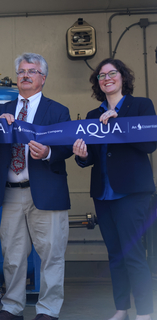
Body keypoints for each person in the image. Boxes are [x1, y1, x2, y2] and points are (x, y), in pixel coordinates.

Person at [0, 53, 73, 320]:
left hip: (47, 192)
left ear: (43, 78)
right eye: (22, 71)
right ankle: (12, 307)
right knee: (12, 255)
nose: (25, 75)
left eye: (32, 71)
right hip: (12, 192)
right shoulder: (3, 109)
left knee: (51, 255)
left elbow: (68, 146)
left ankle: (48, 310)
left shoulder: (57, 110)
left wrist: (47, 152)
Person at [73, 58, 155, 320]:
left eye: (112, 73)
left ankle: (145, 312)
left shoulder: (140, 106)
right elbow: (91, 158)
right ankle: (122, 309)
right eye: (101, 76)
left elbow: (149, 145)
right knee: (115, 255)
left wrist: (120, 125)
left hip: (132, 193)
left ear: (123, 77)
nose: (107, 78)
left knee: (133, 254)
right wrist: (82, 155)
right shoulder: (92, 116)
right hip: (103, 193)